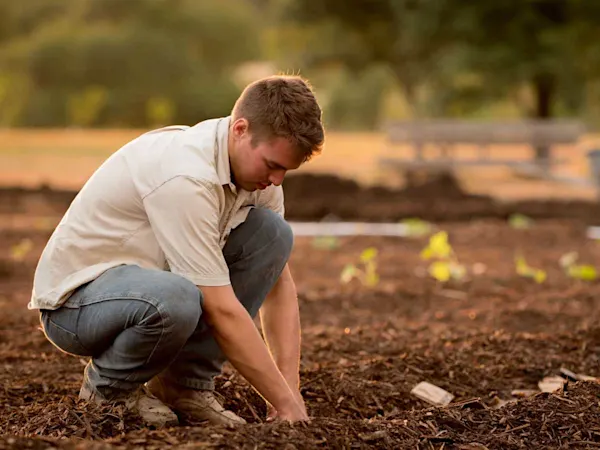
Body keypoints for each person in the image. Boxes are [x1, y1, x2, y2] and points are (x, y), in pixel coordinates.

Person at [28, 75, 325, 428]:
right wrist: (281, 401)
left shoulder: (257, 177)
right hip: (76, 305)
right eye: (272, 165)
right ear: (241, 130)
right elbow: (221, 309)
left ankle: (184, 386)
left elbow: (277, 285)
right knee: (178, 297)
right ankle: (109, 390)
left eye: (285, 170)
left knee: (272, 234)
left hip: (151, 289)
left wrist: (290, 394)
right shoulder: (186, 176)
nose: (277, 180)